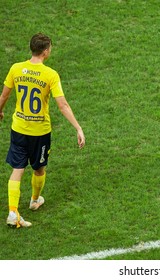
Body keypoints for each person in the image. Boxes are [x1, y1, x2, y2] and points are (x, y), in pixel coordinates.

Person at [0, 33, 85, 228]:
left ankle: (13, 211)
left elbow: (4, 95)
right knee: (39, 168)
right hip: (40, 132)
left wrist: (0, 111)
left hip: (19, 129)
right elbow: (62, 105)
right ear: (46, 51)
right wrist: (78, 128)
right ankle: (35, 200)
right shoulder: (50, 75)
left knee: (18, 168)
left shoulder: (16, 69)